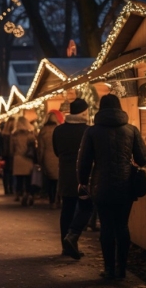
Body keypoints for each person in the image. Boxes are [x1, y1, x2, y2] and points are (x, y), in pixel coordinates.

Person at [78, 94, 146, 280]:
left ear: (101, 109)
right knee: (122, 226)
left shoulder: (92, 132)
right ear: (119, 108)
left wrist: (82, 181)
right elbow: (143, 159)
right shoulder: (131, 130)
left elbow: (84, 160)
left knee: (107, 227)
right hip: (126, 185)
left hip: (101, 185)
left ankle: (109, 269)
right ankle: (122, 269)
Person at [52, 99, 91, 259]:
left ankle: (66, 245)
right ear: (83, 112)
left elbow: (56, 151)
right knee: (86, 207)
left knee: (67, 210)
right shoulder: (87, 130)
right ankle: (72, 238)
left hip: (65, 174)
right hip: (83, 174)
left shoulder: (59, 130)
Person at [37, 110, 63, 208]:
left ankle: (52, 200)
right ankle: (59, 199)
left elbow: (40, 148)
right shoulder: (59, 129)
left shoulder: (43, 131)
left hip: (47, 157)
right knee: (59, 180)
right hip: (58, 157)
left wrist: (40, 160)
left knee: (50, 180)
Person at [11, 117, 36, 206]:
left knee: (19, 179)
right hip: (28, 159)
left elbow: (11, 149)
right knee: (28, 179)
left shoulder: (14, 135)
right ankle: (28, 193)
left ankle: (18, 194)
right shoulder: (30, 135)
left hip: (18, 158)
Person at [1, 117, 16, 195]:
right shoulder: (15, 134)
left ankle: (6, 189)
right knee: (13, 173)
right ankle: (12, 188)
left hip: (5, 156)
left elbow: (1, 146)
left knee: (6, 173)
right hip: (13, 156)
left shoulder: (3, 135)